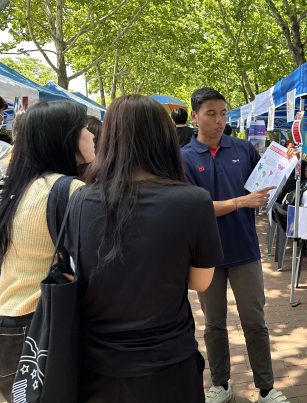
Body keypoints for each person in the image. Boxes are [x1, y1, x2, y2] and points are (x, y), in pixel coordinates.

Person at [70, 95, 223, 402]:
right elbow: (199, 282)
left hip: (97, 367)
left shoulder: (79, 199)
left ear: (110, 138)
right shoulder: (193, 201)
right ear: (164, 138)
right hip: (169, 363)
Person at [180, 87, 287, 403]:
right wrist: (241, 201)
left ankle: (266, 389)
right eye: (211, 113)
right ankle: (220, 384)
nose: (218, 120)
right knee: (214, 325)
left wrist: (284, 163)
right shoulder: (184, 159)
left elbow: (263, 186)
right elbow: (194, 207)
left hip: (244, 251)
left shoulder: (243, 149)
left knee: (255, 321)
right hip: (205, 255)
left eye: (223, 113)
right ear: (196, 115)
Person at [0, 100, 94, 400]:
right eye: (84, 130)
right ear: (66, 139)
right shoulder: (70, 190)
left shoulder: (23, 184)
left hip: (11, 319)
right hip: (41, 324)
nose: (92, 136)